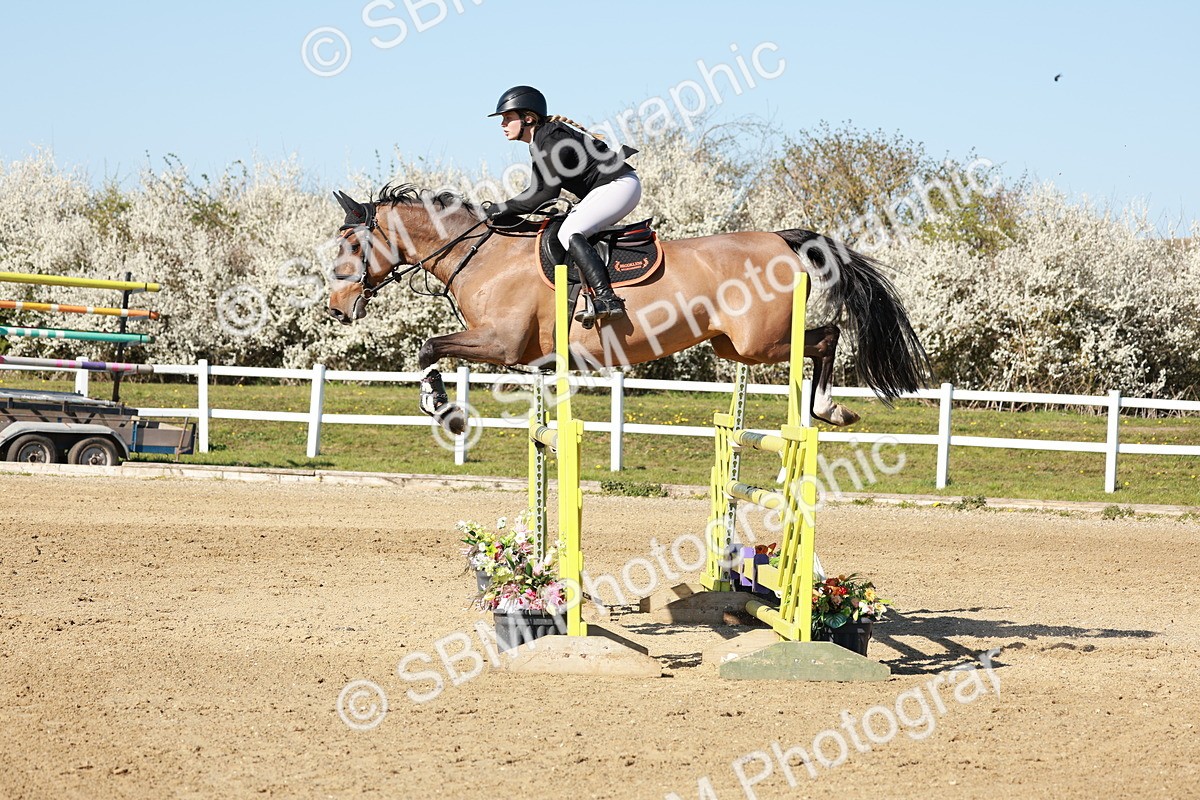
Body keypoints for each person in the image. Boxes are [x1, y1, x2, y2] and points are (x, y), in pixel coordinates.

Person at [482, 85, 641, 324]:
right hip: (609, 187)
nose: (502, 124)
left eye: (507, 118)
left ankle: (608, 299)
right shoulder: (541, 140)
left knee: (569, 231)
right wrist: (502, 211)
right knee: (564, 227)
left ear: (528, 118)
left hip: (618, 185)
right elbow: (536, 191)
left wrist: (497, 209)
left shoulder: (551, 140)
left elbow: (544, 196)